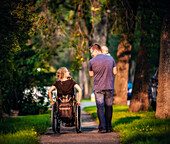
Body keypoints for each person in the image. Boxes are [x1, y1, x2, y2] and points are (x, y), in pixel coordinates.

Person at [89, 44, 117, 133]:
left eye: (91, 52)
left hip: (98, 87)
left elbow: (91, 74)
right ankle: (109, 127)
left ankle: (102, 128)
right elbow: (115, 72)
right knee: (109, 107)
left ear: (95, 50)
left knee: (100, 107)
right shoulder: (111, 59)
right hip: (109, 86)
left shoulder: (91, 61)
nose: (91, 55)